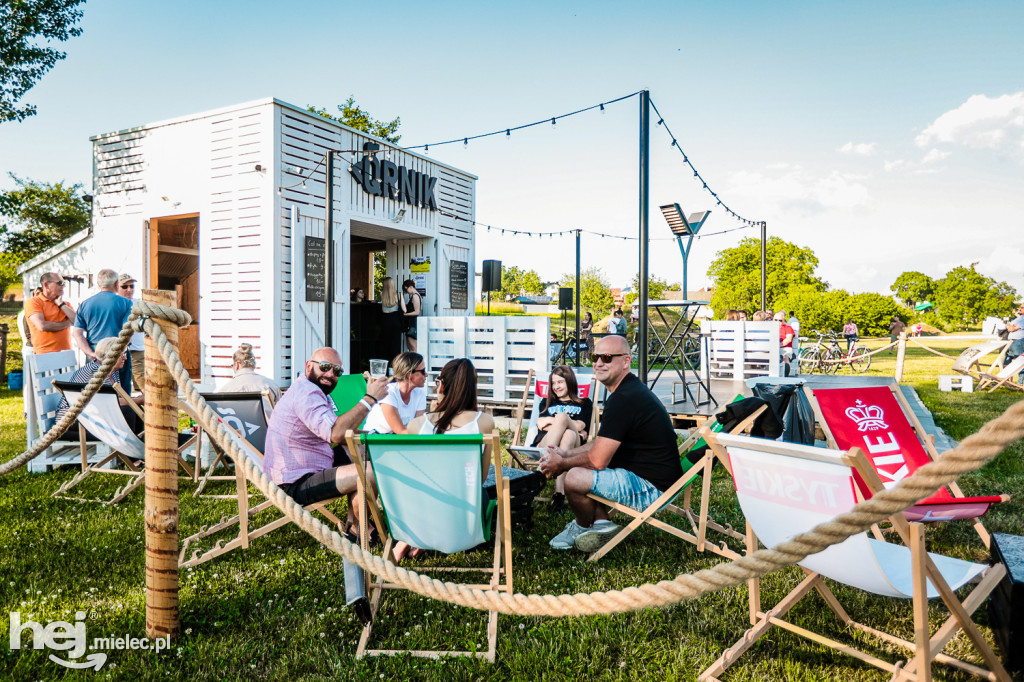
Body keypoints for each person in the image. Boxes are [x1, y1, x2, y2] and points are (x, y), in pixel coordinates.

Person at [262, 347, 387, 622]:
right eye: (325, 367)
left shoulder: (313, 391)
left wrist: (374, 435)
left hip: (312, 467)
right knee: (367, 474)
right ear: (309, 366)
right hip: (294, 484)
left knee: (364, 455)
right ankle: (356, 536)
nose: (331, 375)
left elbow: (339, 434)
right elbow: (335, 433)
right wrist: (369, 399)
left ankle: (359, 530)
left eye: (337, 371)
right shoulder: (307, 393)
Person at [538, 335, 681, 553]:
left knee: (575, 476)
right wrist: (565, 454)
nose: (598, 363)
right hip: (649, 476)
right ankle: (602, 524)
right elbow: (601, 443)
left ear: (626, 361)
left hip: (651, 488)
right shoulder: (628, 391)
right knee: (579, 465)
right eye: (595, 357)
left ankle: (582, 526)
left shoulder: (624, 398)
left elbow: (597, 460)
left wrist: (562, 465)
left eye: (606, 357)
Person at [406, 358, 496, 562]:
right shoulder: (484, 423)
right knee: (481, 492)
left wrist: (435, 411)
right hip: (464, 522)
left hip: (421, 518)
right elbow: (480, 479)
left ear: (442, 385)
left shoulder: (416, 426)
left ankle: (410, 541)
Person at [532, 365, 593, 512]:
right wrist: (566, 423)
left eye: (560, 382)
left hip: (574, 448)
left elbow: (582, 425)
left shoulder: (584, 403)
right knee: (569, 433)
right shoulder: (547, 402)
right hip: (545, 441)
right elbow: (540, 424)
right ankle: (559, 496)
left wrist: (556, 421)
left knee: (566, 426)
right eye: (553, 383)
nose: (555, 387)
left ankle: (541, 471)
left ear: (569, 382)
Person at [55, 336, 143, 433]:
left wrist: (137, 400)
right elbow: (108, 402)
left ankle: (140, 444)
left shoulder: (112, 371)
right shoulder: (95, 372)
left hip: (92, 416)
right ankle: (128, 446)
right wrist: (139, 399)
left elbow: (113, 400)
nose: (125, 358)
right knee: (127, 410)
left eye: (125, 354)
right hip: (73, 422)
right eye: (121, 355)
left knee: (134, 408)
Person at [73, 269, 134, 395]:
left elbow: (77, 333)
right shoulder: (126, 303)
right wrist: (121, 352)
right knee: (122, 394)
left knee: (95, 393)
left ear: (99, 284)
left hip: (95, 353)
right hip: (118, 353)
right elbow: (128, 331)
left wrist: (89, 353)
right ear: (117, 284)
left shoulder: (85, 304)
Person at [362, 352, 427, 434]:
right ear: (409, 375)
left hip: (398, 442)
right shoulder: (388, 393)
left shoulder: (419, 394)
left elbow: (419, 428)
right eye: (423, 371)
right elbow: (401, 431)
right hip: (376, 442)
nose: (426, 374)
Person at [25, 273, 76, 354]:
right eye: (60, 283)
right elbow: (42, 326)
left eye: (64, 283)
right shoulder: (34, 302)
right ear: (46, 285)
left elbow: (77, 321)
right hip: (44, 354)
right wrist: (67, 323)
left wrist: (61, 305)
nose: (63, 286)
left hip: (66, 353)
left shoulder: (65, 304)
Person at [115, 274, 146, 391]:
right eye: (124, 287)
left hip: (137, 350)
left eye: (132, 286)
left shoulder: (139, 303)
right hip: (120, 350)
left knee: (141, 385)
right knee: (121, 386)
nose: (129, 290)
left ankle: (141, 408)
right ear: (116, 287)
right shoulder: (115, 304)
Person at [379, 277, 403, 366]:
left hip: (385, 320)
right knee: (395, 346)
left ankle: (385, 366)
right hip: (395, 320)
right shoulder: (399, 295)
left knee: (385, 345)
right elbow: (403, 309)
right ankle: (395, 367)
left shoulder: (381, 294)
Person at [1004, 303, 1024, 383]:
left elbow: (1011, 328)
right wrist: (1010, 327)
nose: (1020, 309)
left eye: (1022, 307)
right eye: (1020, 307)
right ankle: (1004, 379)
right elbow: (1008, 326)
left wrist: (1011, 327)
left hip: (1019, 342)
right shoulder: (1020, 318)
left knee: (1020, 362)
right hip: (1011, 342)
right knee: (1005, 361)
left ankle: (1020, 382)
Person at [400, 279, 422, 352]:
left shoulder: (415, 296)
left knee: (413, 347)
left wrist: (406, 314)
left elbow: (417, 312)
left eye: (406, 289)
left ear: (411, 287)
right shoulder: (414, 296)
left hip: (412, 324)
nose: (407, 292)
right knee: (410, 347)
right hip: (411, 324)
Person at [774, 311, 796, 376]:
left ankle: (785, 375)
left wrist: (778, 345)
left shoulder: (787, 328)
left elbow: (789, 339)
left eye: (780, 320)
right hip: (772, 348)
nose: (777, 322)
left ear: (783, 321)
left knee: (785, 357)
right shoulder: (770, 327)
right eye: (775, 320)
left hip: (785, 348)